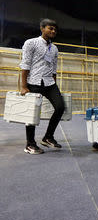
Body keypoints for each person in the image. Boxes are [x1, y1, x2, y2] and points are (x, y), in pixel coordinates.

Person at [19, 19, 65, 154]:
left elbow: (53, 68)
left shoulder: (54, 48)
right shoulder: (31, 43)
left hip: (49, 83)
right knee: (32, 115)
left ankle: (48, 137)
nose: (53, 31)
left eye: (55, 30)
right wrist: (23, 86)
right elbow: (25, 64)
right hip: (33, 82)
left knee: (60, 107)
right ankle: (30, 144)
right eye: (50, 28)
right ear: (42, 28)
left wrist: (54, 83)